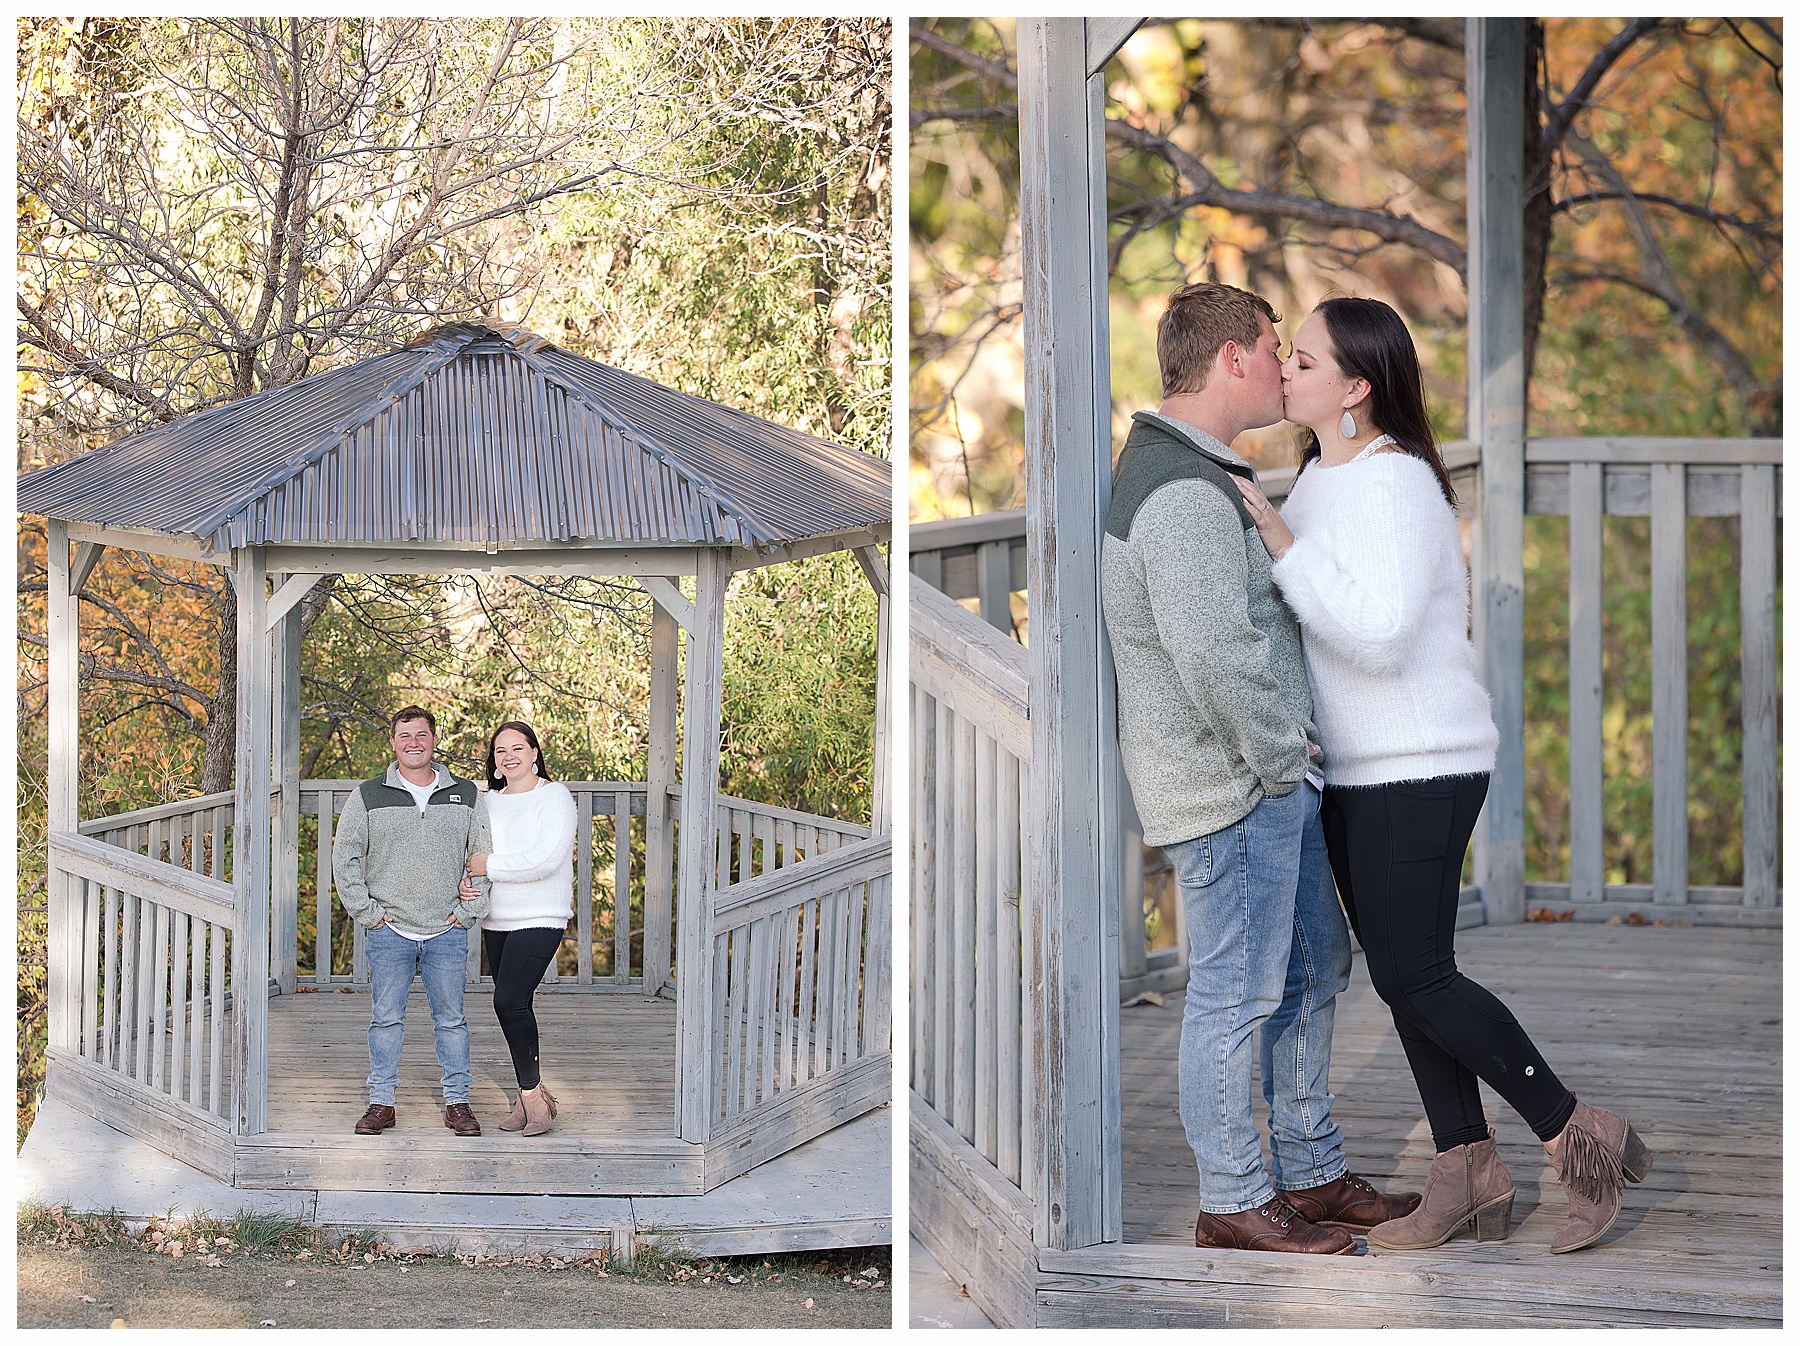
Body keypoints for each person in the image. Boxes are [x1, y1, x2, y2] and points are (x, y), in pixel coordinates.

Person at [1233, 295, 1654, 1254]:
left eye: (1301, 357)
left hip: (1420, 764)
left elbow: (1377, 637)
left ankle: (1577, 1133)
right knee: (1407, 978)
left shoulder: (1395, 485)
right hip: (1354, 769)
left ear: (1355, 387)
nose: (1284, 365)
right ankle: (1466, 1170)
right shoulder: (1319, 478)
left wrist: (1280, 544)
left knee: (1417, 974)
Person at [1100, 281, 1419, 1256]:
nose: (1285, 367)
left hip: (1269, 780)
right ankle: (1235, 1196)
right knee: (1237, 992)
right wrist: (1286, 759)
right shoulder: (1181, 490)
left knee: (1315, 964)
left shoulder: (1199, 469)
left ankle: (1311, 1168)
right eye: (1276, 349)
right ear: (1233, 356)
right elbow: (1213, 656)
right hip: (1234, 787)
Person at [333, 705, 491, 1137]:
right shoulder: (368, 795)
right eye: (405, 736)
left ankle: (457, 1102)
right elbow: (344, 859)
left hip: (447, 929)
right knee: (385, 1019)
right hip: (390, 929)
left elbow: (483, 856)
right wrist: (368, 913)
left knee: (452, 1020)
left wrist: (466, 913)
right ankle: (382, 1102)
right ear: (392, 742)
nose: (414, 743)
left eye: (422, 735)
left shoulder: (466, 793)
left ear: (434, 740)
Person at [459, 720, 577, 1137]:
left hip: (541, 914)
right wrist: (466, 878)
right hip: (497, 916)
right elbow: (470, 853)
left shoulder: (555, 797)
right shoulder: (487, 801)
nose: (508, 757)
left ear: (534, 752)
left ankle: (533, 1097)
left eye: (517, 748)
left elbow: (545, 859)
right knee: (513, 1004)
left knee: (508, 1000)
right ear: (493, 760)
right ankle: (529, 1096)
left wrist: (488, 867)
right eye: (500, 750)